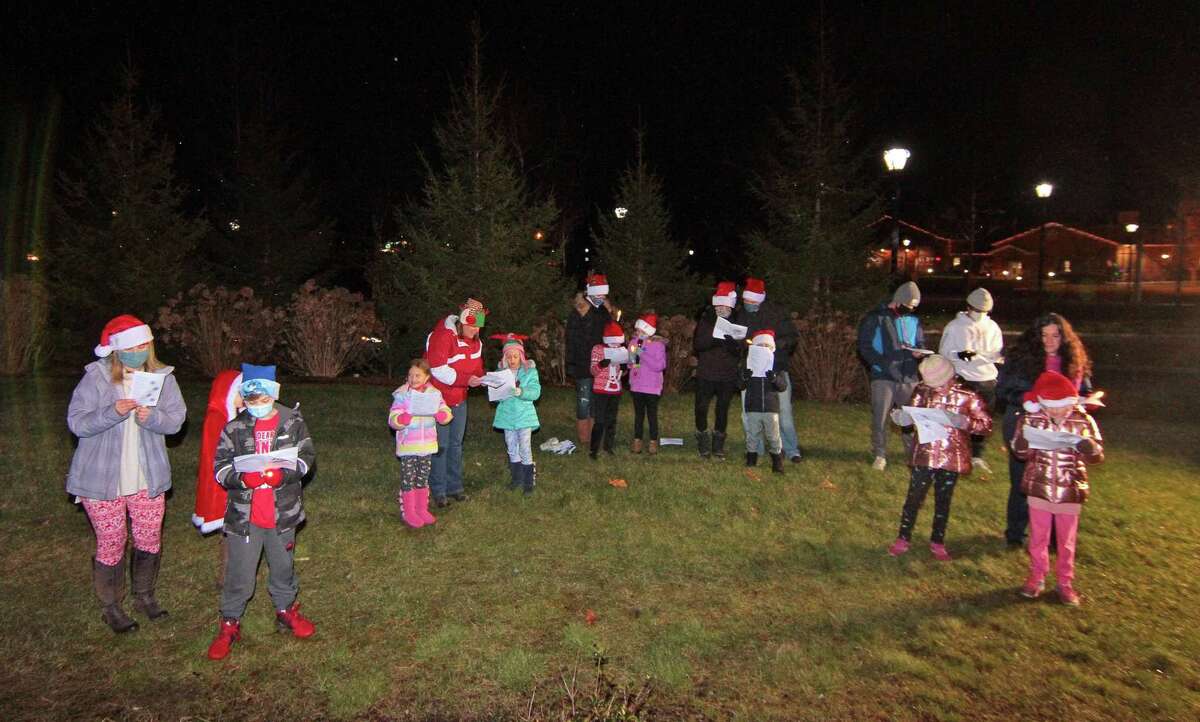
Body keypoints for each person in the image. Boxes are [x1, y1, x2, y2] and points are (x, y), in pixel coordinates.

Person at [66, 314, 187, 633]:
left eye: (145, 343)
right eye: (133, 345)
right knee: (112, 540)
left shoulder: (162, 377)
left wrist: (153, 417)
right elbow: (77, 423)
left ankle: (144, 596)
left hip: (147, 475)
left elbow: (175, 421)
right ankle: (112, 606)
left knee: (149, 538)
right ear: (118, 349)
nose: (140, 349)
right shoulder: (97, 379)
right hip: (102, 477)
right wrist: (113, 412)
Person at [208, 364, 317, 660]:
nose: (257, 407)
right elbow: (219, 467)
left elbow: (307, 456)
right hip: (245, 516)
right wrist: (243, 478)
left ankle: (285, 609)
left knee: (283, 564)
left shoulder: (291, 422)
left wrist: (285, 474)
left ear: (273, 395)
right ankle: (230, 620)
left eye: (263, 401)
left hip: (283, 513)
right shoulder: (235, 428)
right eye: (251, 402)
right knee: (240, 571)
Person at [996, 313, 1095, 547]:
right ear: (1035, 337)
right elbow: (1004, 391)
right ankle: (1016, 534)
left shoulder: (1073, 361)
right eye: (1044, 335)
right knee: (1023, 479)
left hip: (1062, 427)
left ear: (1064, 337)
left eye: (1055, 335)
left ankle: (1053, 537)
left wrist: (1086, 400)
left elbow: (1085, 390)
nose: (1049, 341)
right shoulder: (1022, 359)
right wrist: (1030, 400)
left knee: (1058, 479)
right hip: (1025, 423)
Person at [1011, 371, 1104, 606]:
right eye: (1049, 407)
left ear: (1070, 402)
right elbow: (1020, 453)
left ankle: (1065, 582)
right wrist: (1023, 439)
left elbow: (1097, 457)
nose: (1054, 412)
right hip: (1039, 486)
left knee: (1066, 540)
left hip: (1070, 489)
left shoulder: (1083, 421)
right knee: (1038, 537)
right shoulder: (1032, 420)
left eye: (1059, 407)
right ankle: (1037, 576)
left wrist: (1089, 447)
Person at [887, 355, 993, 561]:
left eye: (940, 383)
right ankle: (903, 537)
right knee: (913, 498)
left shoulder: (967, 396)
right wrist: (903, 418)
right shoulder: (923, 391)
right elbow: (912, 414)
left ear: (951, 376)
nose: (936, 387)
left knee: (943, 500)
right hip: (925, 454)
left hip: (951, 458)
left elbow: (986, 425)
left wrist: (963, 421)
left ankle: (937, 540)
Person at [424, 298, 486, 508]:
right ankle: (438, 490)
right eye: (471, 323)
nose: (475, 328)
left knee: (456, 445)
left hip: (460, 400)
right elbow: (437, 368)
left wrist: (486, 379)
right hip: (439, 400)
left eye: (479, 324)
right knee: (440, 446)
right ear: (461, 321)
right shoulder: (443, 336)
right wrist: (465, 379)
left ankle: (455, 487)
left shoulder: (476, 342)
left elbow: (477, 369)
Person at [856, 281, 924, 472]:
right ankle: (880, 454)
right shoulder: (875, 318)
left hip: (909, 376)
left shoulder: (914, 320)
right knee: (881, 417)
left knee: (910, 417)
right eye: (908, 305)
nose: (910, 310)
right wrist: (881, 364)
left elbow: (919, 341)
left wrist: (918, 352)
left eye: (913, 307)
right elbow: (864, 346)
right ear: (898, 300)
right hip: (884, 376)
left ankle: (912, 454)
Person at [733, 277, 803, 462]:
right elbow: (739, 339)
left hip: (776, 369)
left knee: (783, 413)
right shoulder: (741, 315)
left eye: (752, 301)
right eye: (746, 301)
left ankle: (791, 450)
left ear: (760, 299)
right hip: (750, 371)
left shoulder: (777, 313)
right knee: (749, 412)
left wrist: (775, 344)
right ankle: (755, 449)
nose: (749, 304)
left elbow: (792, 337)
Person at [937, 287, 1003, 473]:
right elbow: (945, 352)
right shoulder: (955, 326)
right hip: (964, 378)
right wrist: (960, 355)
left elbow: (996, 353)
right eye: (977, 310)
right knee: (959, 418)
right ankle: (954, 451)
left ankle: (977, 455)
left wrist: (980, 356)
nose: (980, 314)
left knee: (982, 420)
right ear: (968, 307)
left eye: (983, 311)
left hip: (987, 379)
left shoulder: (992, 327)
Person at [389, 359, 453, 526]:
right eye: (410, 375)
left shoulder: (434, 394)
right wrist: (401, 419)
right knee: (408, 478)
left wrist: (443, 416)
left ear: (426, 378)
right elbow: (393, 418)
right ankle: (408, 512)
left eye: (418, 375)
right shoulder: (402, 395)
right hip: (408, 446)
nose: (413, 378)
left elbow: (446, 411)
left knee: (422, 477)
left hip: (427, 446)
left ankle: (421, 509)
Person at [692, 281, 741, 459]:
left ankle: (718, 446)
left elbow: (740, 349)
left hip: (727, 374)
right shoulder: (706, 320)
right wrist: (715, 339)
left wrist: (731, 343)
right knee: (701, 407)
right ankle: (703, 441)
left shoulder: (737, 321)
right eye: (718, 305)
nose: (721, 309)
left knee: (722, 409)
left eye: (725, 306)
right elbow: (697, 345)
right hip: (706, 373)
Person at [490, 333, 542, 493]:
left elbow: (535, 392)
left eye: (515, 356)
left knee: (525, 447)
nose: (512, 360)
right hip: (507, 417)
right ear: (505, 358)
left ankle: (528, 483)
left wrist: (522, 391)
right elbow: (496, 397)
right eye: (509, 357)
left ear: (521, 356)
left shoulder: (530, 372)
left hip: (524, 416)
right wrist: (496, 393)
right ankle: (516, 479)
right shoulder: (501, 374)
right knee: (511, 447)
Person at [565, 275, 613, 446]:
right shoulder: (579, 312)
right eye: (599, 295)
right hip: (583, 364)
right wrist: (571, 364)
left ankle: (594, 433)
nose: (602, 298)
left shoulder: (603, 311)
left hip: (600, 364)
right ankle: (584, 436)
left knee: (596, 400)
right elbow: (572, 339)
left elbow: (610, 334)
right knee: (584, 400)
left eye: (604, 295)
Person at [736, 330, 788, 473]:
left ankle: (777, 461)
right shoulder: (748, 364)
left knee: (773, 436)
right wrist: (745, 377)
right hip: (753, 406)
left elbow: (783, 386)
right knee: (752, 434)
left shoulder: (776, 366)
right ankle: (751, 459)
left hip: (771, 407)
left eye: (767, 345)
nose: (764, 348)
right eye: (761, 345)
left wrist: (774, 378)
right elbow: (740, 385)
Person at [627, 313, 668, 454]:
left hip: (652, 387)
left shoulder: (658, 346)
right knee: (639, 415)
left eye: (642, 331)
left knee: (652, 414)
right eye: (637, 331)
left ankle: (653, 441)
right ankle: (637, 440)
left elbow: (659, 366)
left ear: (649, 331)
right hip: (637, 385)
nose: (638, 334)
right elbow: (632, 364)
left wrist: (642, 354)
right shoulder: (634, 343)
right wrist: (632, 360)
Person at [589, 319, 629, 459]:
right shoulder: (598, 349)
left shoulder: (622, 351)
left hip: (615, 391)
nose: (616, 345)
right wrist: (601, 364)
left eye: (618, 342)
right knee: (599, 421)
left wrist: (625, 369)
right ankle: (593, 449)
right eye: (614, 342)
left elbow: (623, 373)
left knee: (611, 420)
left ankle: (608, 447)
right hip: (600, 391)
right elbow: (593, 371)